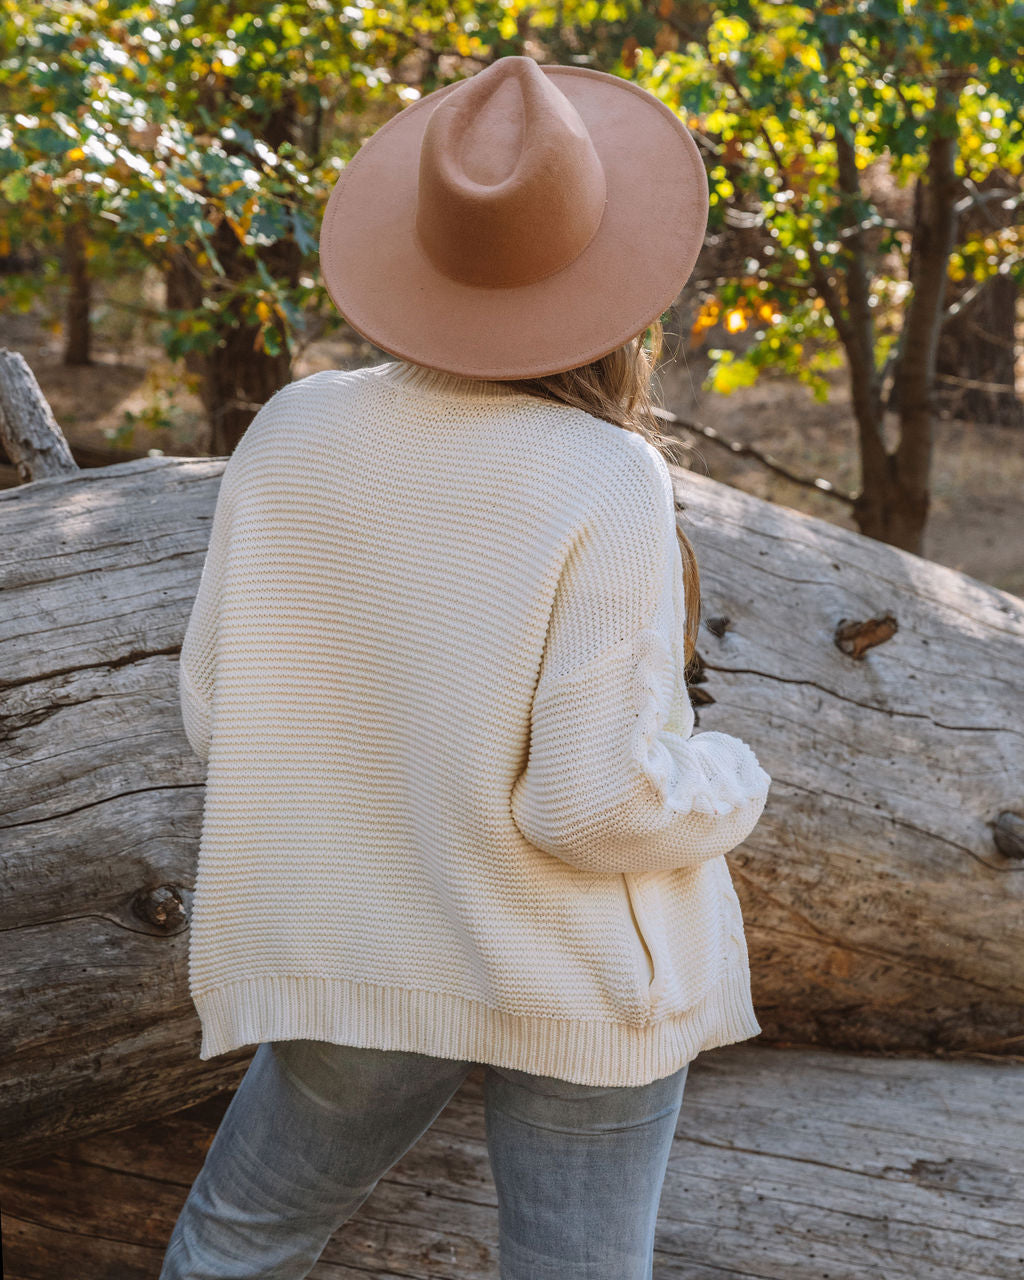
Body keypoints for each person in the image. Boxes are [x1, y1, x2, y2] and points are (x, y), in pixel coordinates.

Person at [160, 53, 772, 1280]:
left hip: (365, 938)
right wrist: (733, 775)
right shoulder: (605, 475)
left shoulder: (290, 427)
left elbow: (219, 713)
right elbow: (589, 800)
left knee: (239, 1242)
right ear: (616, 276)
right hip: (580, 979)